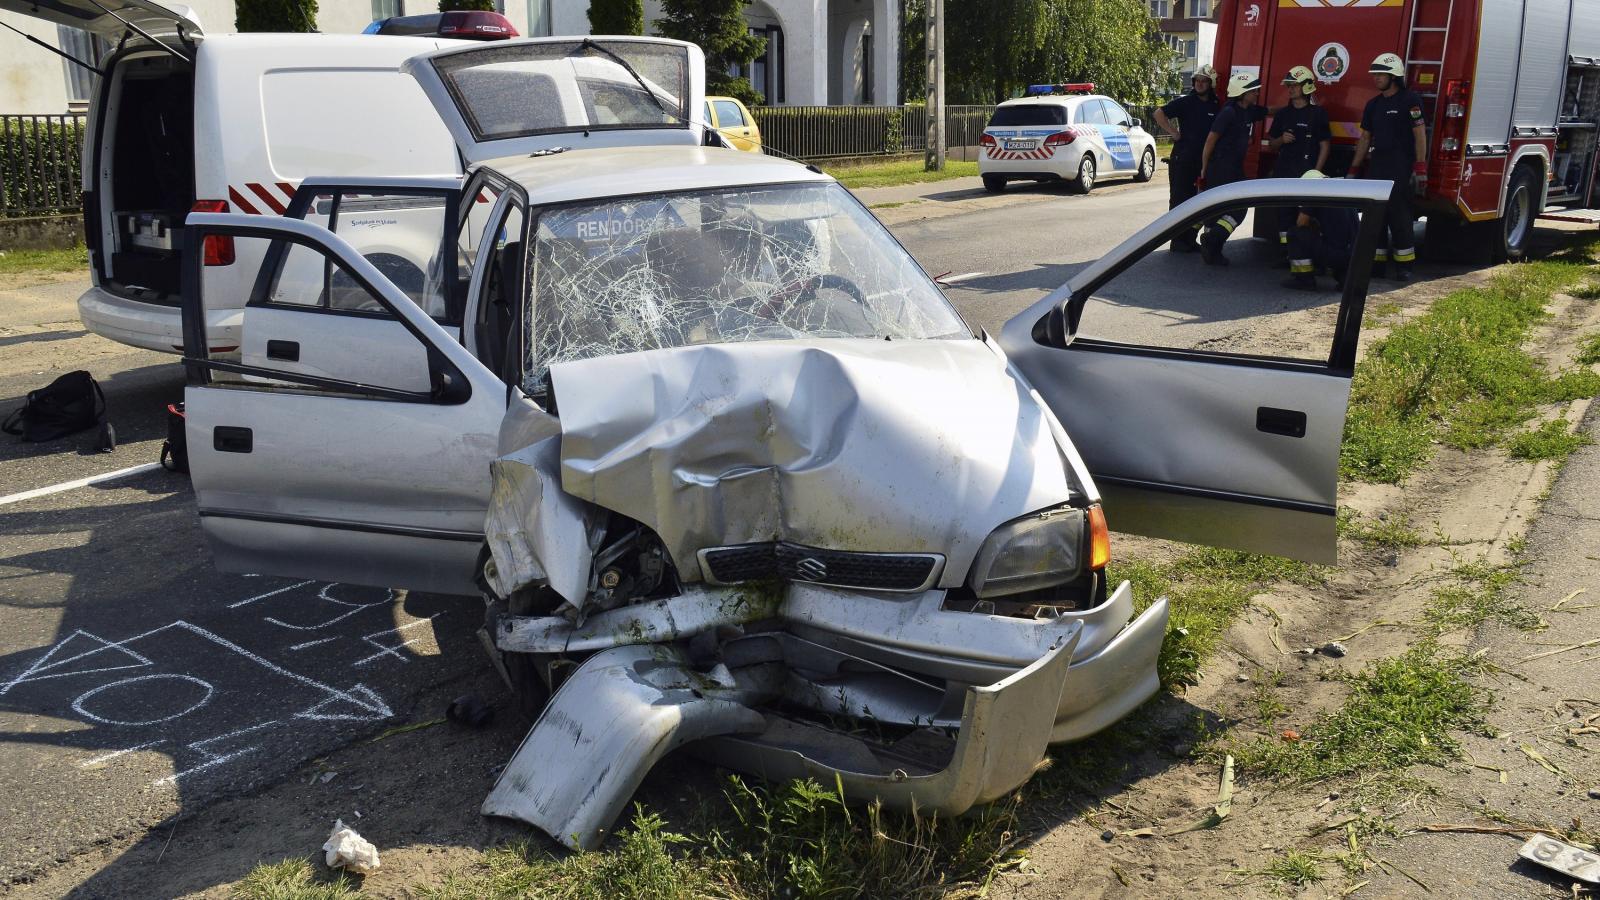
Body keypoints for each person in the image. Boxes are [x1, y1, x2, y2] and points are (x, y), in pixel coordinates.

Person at [1348, 52, 1427, 282]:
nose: (1376, 78)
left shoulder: (1410, 101)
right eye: (1375, 74)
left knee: (1400, 217)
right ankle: (1377, 264)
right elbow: (1365, 138)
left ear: (1394, 76)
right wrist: (1354, 169)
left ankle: (1404, 267)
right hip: (1377, 167)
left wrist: (1420, 167)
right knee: (1376, 218)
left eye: (1381, 74)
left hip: (1401, 168)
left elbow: (1420, 134)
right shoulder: (1373, 105)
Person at [1196, 71, 1268, 266]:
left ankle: (1213, 252)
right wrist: (1204, 168)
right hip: (1221, 168)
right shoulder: (1228, 112)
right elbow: (1210, 141)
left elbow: (1269, 111)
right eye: (1253, 91)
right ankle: (1212, 240)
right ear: (1243, 93)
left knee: (1218, 210)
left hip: (1233, 168)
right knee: (1238, 208)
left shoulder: (1248, 110)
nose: (1256, 94)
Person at [1154, 65, 1220, 253]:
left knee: (1196, 202)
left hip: (1201, 162)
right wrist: (1173, 132)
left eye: (1204, 81)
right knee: (1179, 201)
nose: (1199, 84)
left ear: (1211, 83)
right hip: (1182, 161)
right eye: (1197, 80)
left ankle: (1189, 240)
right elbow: (1159, 113)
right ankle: (1177, 241)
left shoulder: (1215, 105)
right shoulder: (1186, 102)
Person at [1268, 66, 1332, 260]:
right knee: (1284, 215)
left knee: (1305, 216)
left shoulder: (1318, 114)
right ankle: (1285, 254)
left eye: (1295, 85)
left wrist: (1316, 174)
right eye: (1289, 86)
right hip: (1284, 171)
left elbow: (1325, 146)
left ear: (1307, 86)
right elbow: (1271, 144)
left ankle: (1304, 254)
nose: (1291, 89)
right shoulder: (1282, 114)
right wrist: (1281, 140)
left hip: (1307, 175)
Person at [1283, 171, 1358, 291]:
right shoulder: (1343, 191)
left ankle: (1303, 279)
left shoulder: (1315, 192)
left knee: (1295, 233)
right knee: (1337, 239)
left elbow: (1301, 223)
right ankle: (1345, 278)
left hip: (1336, 255)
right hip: (1355, 256)